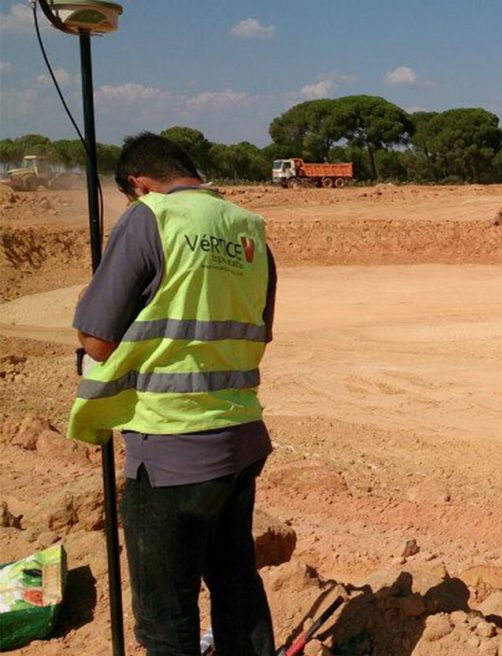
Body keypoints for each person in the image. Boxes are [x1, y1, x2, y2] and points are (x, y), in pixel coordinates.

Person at [68, 132, 277, 655]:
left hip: (169, 447)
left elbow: (96, 340)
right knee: (237, 592)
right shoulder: (251, 230)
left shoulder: (151, 217)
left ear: (138, 183)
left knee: (166, 620)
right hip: (240, 440)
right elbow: (255, 331)